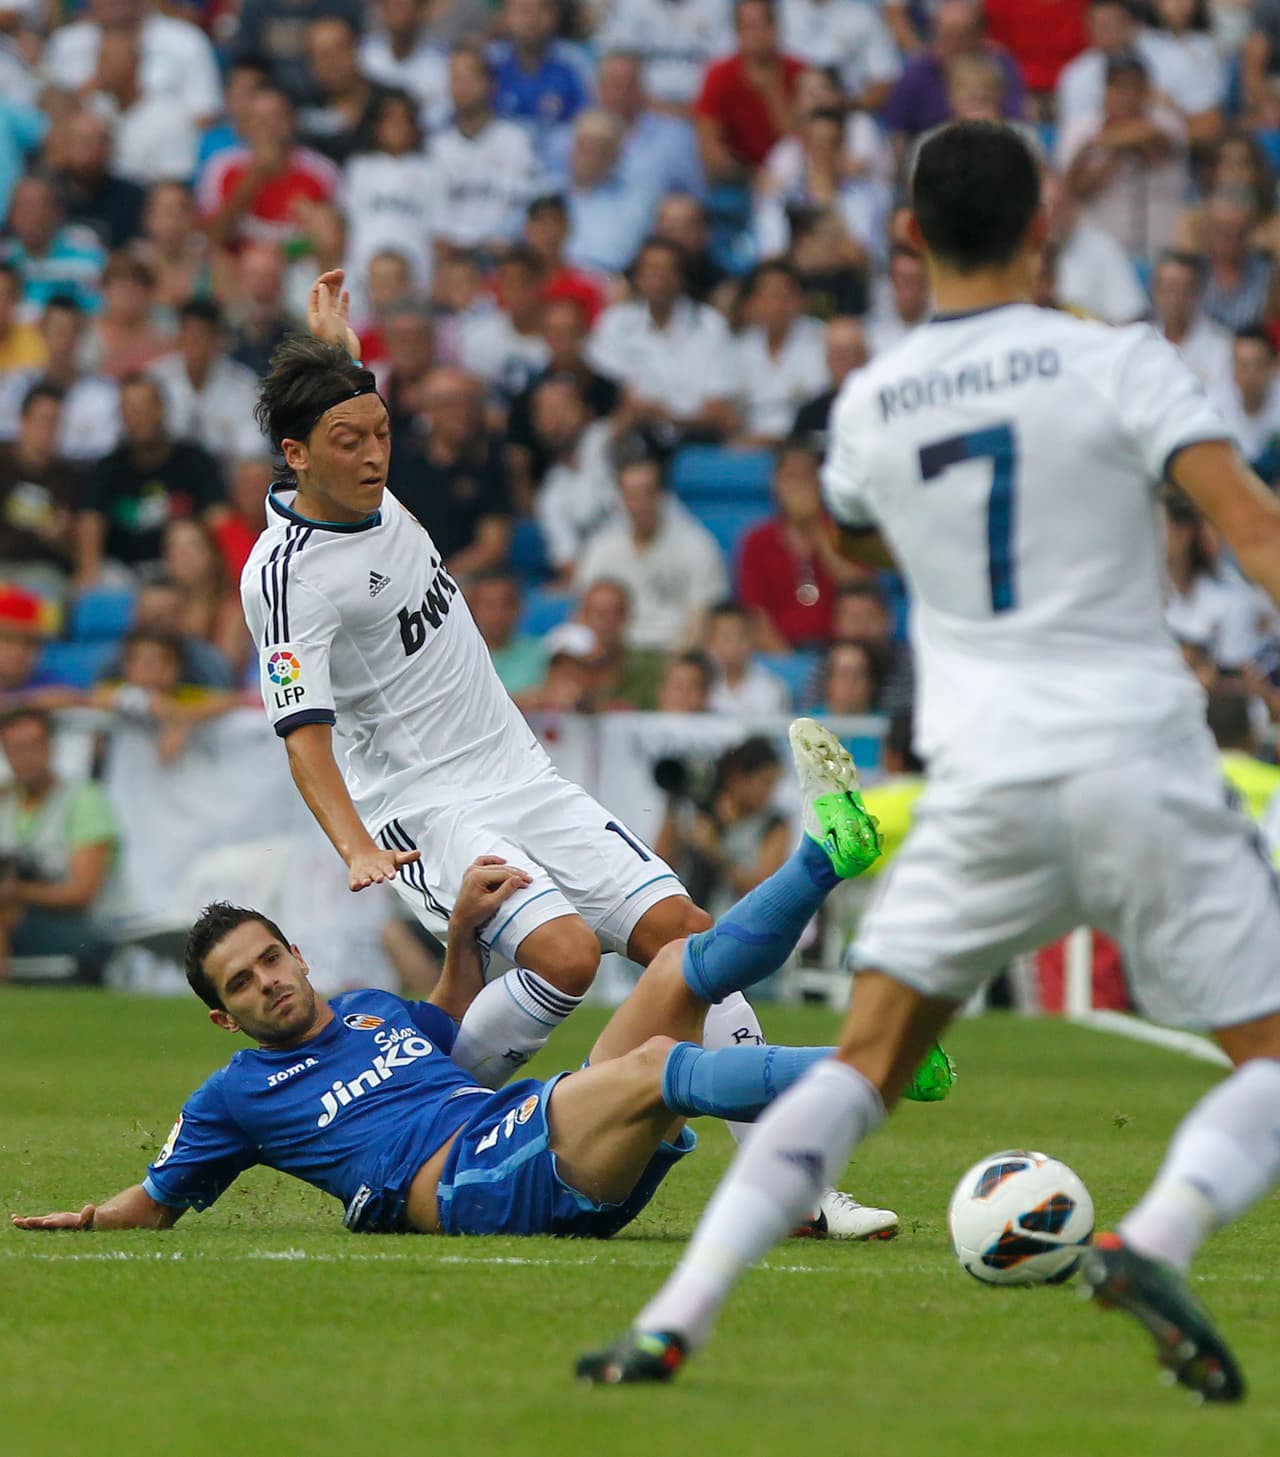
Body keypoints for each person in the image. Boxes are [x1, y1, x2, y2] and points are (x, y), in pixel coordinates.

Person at [579, 117, 1280, 1400]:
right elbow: (1250, 532)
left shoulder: (870, 403)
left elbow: (850, 544)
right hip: (1137, 754)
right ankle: (1155, 1233)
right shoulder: (1117, 359)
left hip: (983, 780)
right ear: (1042, 230)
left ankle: (675, 1314)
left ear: (906, 237)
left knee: (862, 1069)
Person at [11, 726, 947, 1238]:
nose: (268, 983)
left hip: (524, 1131)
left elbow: (447, 1015)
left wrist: (462, 931)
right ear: (224, 1017)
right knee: (658, 1062)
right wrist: (90, 1217)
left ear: (297, 953)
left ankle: (825, 856)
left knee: (677, 966)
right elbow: (160, 1197)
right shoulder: (235, 1095)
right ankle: (875, 1059)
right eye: (244, 984)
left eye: (270, 959)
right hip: (471, 1181)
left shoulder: (377, 1014)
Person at [239, 273, 710, 1090]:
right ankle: (418, 1122)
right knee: (565, 957)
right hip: (427, 808)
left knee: (688, 935)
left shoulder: (372, 490)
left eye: (380, 432)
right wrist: (356, 847)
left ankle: (805, 1190)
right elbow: (303, 736)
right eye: (349, 441)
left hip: (522, 772)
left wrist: (334, 356)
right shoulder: (285, 578)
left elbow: (339, 403)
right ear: (297, 455)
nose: (375, 454)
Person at [0, 705, 117, 983]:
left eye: (31, 746)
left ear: (51, 748)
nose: (23, 758)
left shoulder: (83, 800)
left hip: (78, 928)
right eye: (13, 749)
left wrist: (17, 891)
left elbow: (82, 893)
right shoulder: (6, 802)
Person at [75, 373, 224, 589]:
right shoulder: (108, 467)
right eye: (130, 410)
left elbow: (219, 517)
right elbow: (90, 521)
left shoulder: (194, 460)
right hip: (123, 573)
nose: (138, 417)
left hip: (182, 569)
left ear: (161, 409)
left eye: (144, 407)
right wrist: (89, 571)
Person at [575, 452, 729, 652]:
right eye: (631, 496)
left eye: (646, 493)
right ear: (620, 497)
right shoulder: (601, 547)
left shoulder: (697, 545)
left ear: (662, 494)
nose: (639, 504)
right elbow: (583, 614)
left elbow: (702, 621)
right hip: (613, 659)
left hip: (672, 654)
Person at [738, 436, 862, 650]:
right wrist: (789, 666)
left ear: (820, 482)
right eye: (791, 477)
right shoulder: (757, 540)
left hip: (841, 654)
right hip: (781, 654)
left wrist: (815, 528)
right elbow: (755, 617)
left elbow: (858, 588)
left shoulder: (842, 531)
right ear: (776, 482)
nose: (799, 487)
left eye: (806, 477)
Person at [694, 0, 805, 183]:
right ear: (737, 32)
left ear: (775, 28)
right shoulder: (718, 76)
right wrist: (753, 176)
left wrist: (772, 95)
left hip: (792, 174)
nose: (757, 35)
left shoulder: (799, 73)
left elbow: (801, 142)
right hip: (739, 178)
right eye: (748, 27)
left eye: (764, 26)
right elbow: (710, 147)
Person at [148, 300, 265, 467]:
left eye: (202, 336)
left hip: (225, 475)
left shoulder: (243, 384)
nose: (195, 344)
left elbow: (253, 447)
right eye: (189, 335)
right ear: (179, 337)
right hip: (168, 473)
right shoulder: (156, 379)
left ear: (218, 340)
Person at [735, 260, 829, 447]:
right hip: (750, 446)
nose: (777, 304)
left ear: (801, 300)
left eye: (784, 294)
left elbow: (821, 407)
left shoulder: (822, 339)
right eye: (768, 295)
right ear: (752, 303)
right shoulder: (741, 347)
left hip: (804, 445)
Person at [1149, 251, 1232, 396]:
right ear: (1155, 291)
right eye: (1168, 289)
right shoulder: (1143, 342)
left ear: (1198, 292)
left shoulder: (1223, 347)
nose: (1175, 299)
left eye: (1183, 290)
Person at [1211, 329, 1280, 485]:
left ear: (1273, 365)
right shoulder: (1213, 405)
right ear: (1233, 368)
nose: (1251, 374)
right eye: (1243, 365)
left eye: (1258, 364)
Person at [466, 569, 546, 697]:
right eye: (489, 606)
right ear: (472, 609)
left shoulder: (541, 653)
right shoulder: (459, 655)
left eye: (505, 605)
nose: (497, 614)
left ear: (519, 608)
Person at [704, 600, 791, 715]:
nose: (732, 645)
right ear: (711, 642)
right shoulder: (702, 687)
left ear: (751, 640)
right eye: (725, 637)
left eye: (738, 636)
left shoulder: (771, 689)